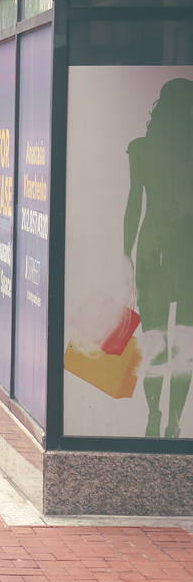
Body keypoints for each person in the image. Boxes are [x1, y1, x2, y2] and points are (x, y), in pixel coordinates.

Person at [123, 77, 193, 437]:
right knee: (183, 343)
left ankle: (154, 415)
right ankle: (175, 422)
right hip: (188, 253)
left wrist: (125, 254)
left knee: (154, 340)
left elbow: (135, 204)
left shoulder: (142, 149)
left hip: (151, 249)